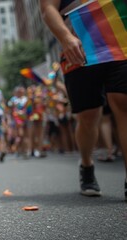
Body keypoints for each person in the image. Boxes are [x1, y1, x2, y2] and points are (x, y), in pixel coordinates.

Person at [41, 0, 127, 199]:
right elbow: (47, 9)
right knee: (89, 116)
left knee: (123, 103)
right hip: (79, 47)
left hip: (120, 39)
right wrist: (65, 37)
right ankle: (86, 164)